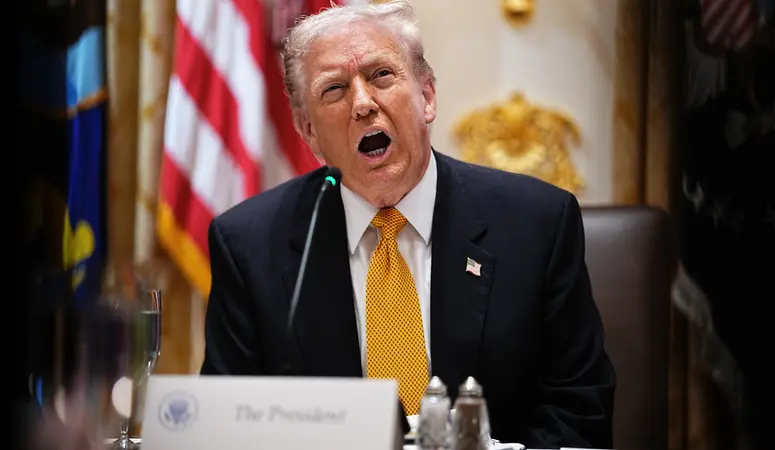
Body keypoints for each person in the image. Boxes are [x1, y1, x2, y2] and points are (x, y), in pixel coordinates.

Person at [200, 1, 615, 447]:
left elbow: (578, 412)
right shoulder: (249, 246)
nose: (362, 104)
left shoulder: (537, 225)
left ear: (428, 96)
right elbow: (227, 425)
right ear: (308, 133)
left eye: (381, 75)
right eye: (334, 89)